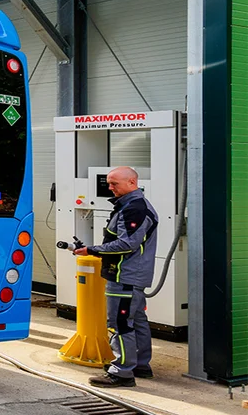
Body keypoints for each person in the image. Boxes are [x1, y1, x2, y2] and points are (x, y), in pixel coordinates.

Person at [73, 166, 157, 388]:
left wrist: (92, 250)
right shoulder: (131, 206)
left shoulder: (134, 209)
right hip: (132, 275)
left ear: (131, 182)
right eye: (109, 183)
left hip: (124, 275)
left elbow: (127, 243)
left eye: (114, 183)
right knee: (137, 320)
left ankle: (121, 372)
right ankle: (139, 364)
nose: (110, 187)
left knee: (119, 323)